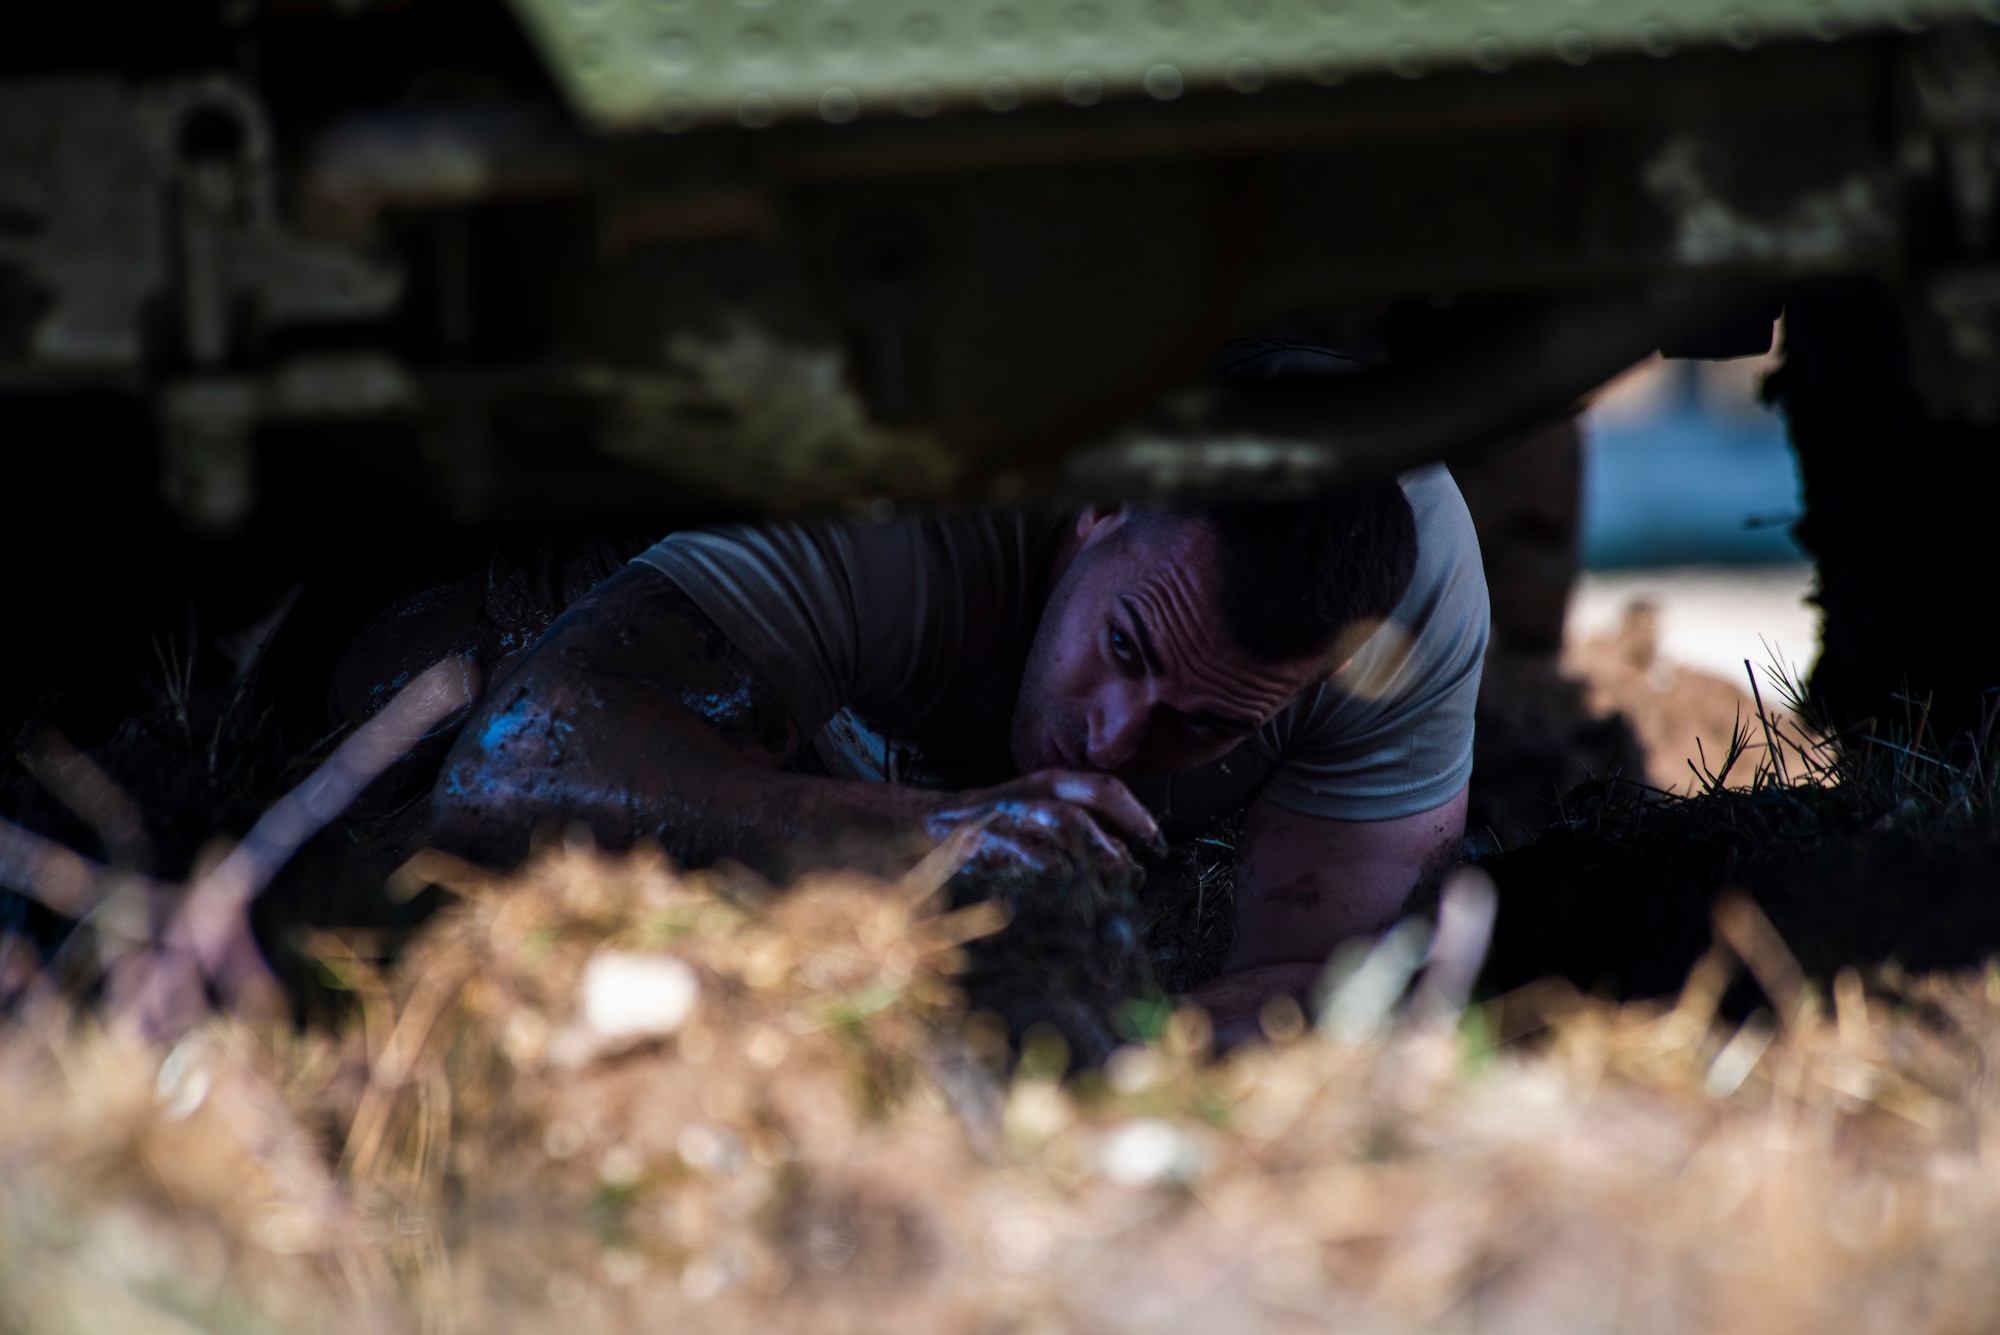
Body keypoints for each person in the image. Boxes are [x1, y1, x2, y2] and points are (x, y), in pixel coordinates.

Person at [424, 448, 1489, 1040]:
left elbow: (1331, 979)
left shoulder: (1417, 606)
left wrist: (1107, 1073)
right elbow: (509, 763)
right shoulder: (922, 497)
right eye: (1122, 645)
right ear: (1103, 505)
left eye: (1203, 723)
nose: (1115, 737)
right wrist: (918, 836)